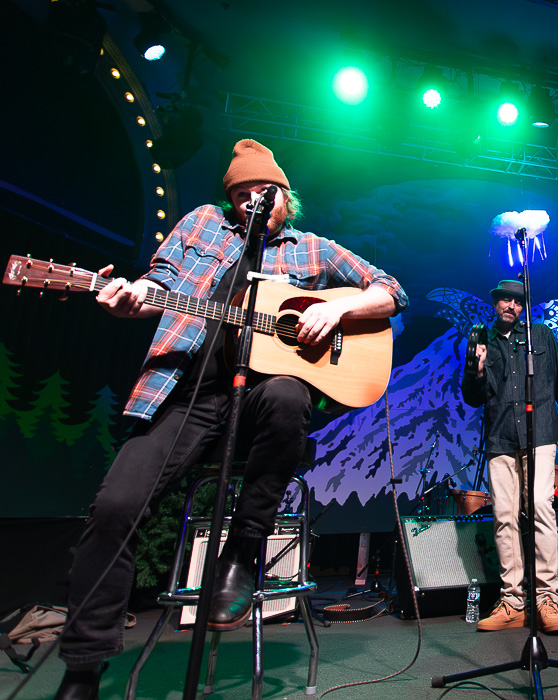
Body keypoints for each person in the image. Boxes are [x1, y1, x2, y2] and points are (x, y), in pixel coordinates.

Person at [55, 139, 408, 699]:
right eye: (241, 194)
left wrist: (336, 306)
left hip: (265, 405)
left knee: (291, 395)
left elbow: (391, 291)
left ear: (286, 199)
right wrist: (130, 296)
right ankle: (82, 668)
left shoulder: (312, 250)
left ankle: (244, 550)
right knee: (114, 507)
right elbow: (159, 286)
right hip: (186, 395)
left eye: (262, 192)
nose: (251, 202)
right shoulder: (201, 226)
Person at [461, 279, 558, 634]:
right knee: (504, 517)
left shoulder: (541, 336)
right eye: (505, 300)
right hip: (500, 437)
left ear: (523, 306)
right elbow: (472, 395)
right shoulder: (481, 339)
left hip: (541, 432)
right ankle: (512, 601)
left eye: (517, 301)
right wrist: (477, 368)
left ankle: (548, 598)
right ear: (496, 303)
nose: (511, 306)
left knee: (542, 510)